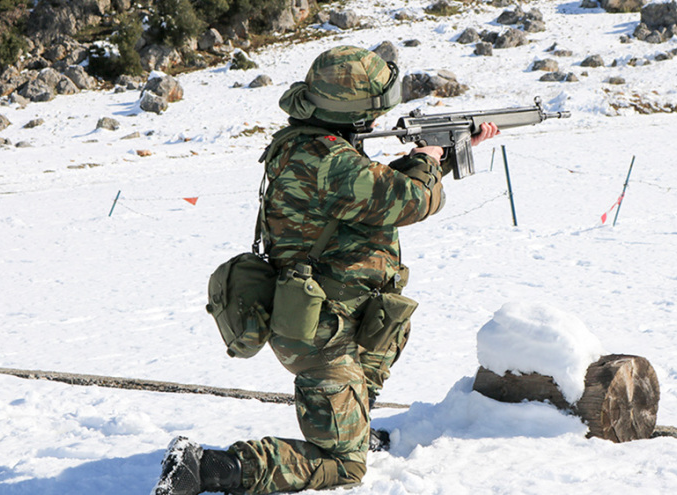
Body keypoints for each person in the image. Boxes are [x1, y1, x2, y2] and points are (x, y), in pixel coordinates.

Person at [152, 45, 498, 495]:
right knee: (343, 468)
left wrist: (446, 153)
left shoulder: (315, 147)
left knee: (381, 344)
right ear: (349, 113)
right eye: (369, 114)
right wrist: (430, 158)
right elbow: (410, 199)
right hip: (320, 329)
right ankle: (207, 468)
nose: (375, 122)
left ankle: (351, 426)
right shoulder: (327, 160)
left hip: (342, 310)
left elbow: (372, 191)